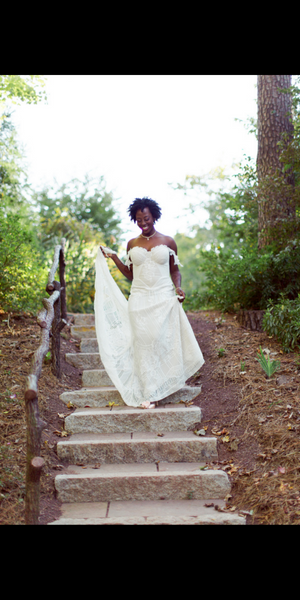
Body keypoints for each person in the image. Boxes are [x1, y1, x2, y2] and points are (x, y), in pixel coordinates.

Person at [94, 197, 204, 409]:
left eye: (146, 218)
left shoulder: (168, 241)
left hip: (162, 297)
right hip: (139, 298)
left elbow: (174, 270)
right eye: (138, 219)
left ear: (154, 216)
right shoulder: (132, 244)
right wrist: (115, 257)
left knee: (159, 339)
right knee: (143, 342)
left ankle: (163, 382)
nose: (143, 222)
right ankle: (149, 392)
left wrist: (178, 287)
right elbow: (130, 274)